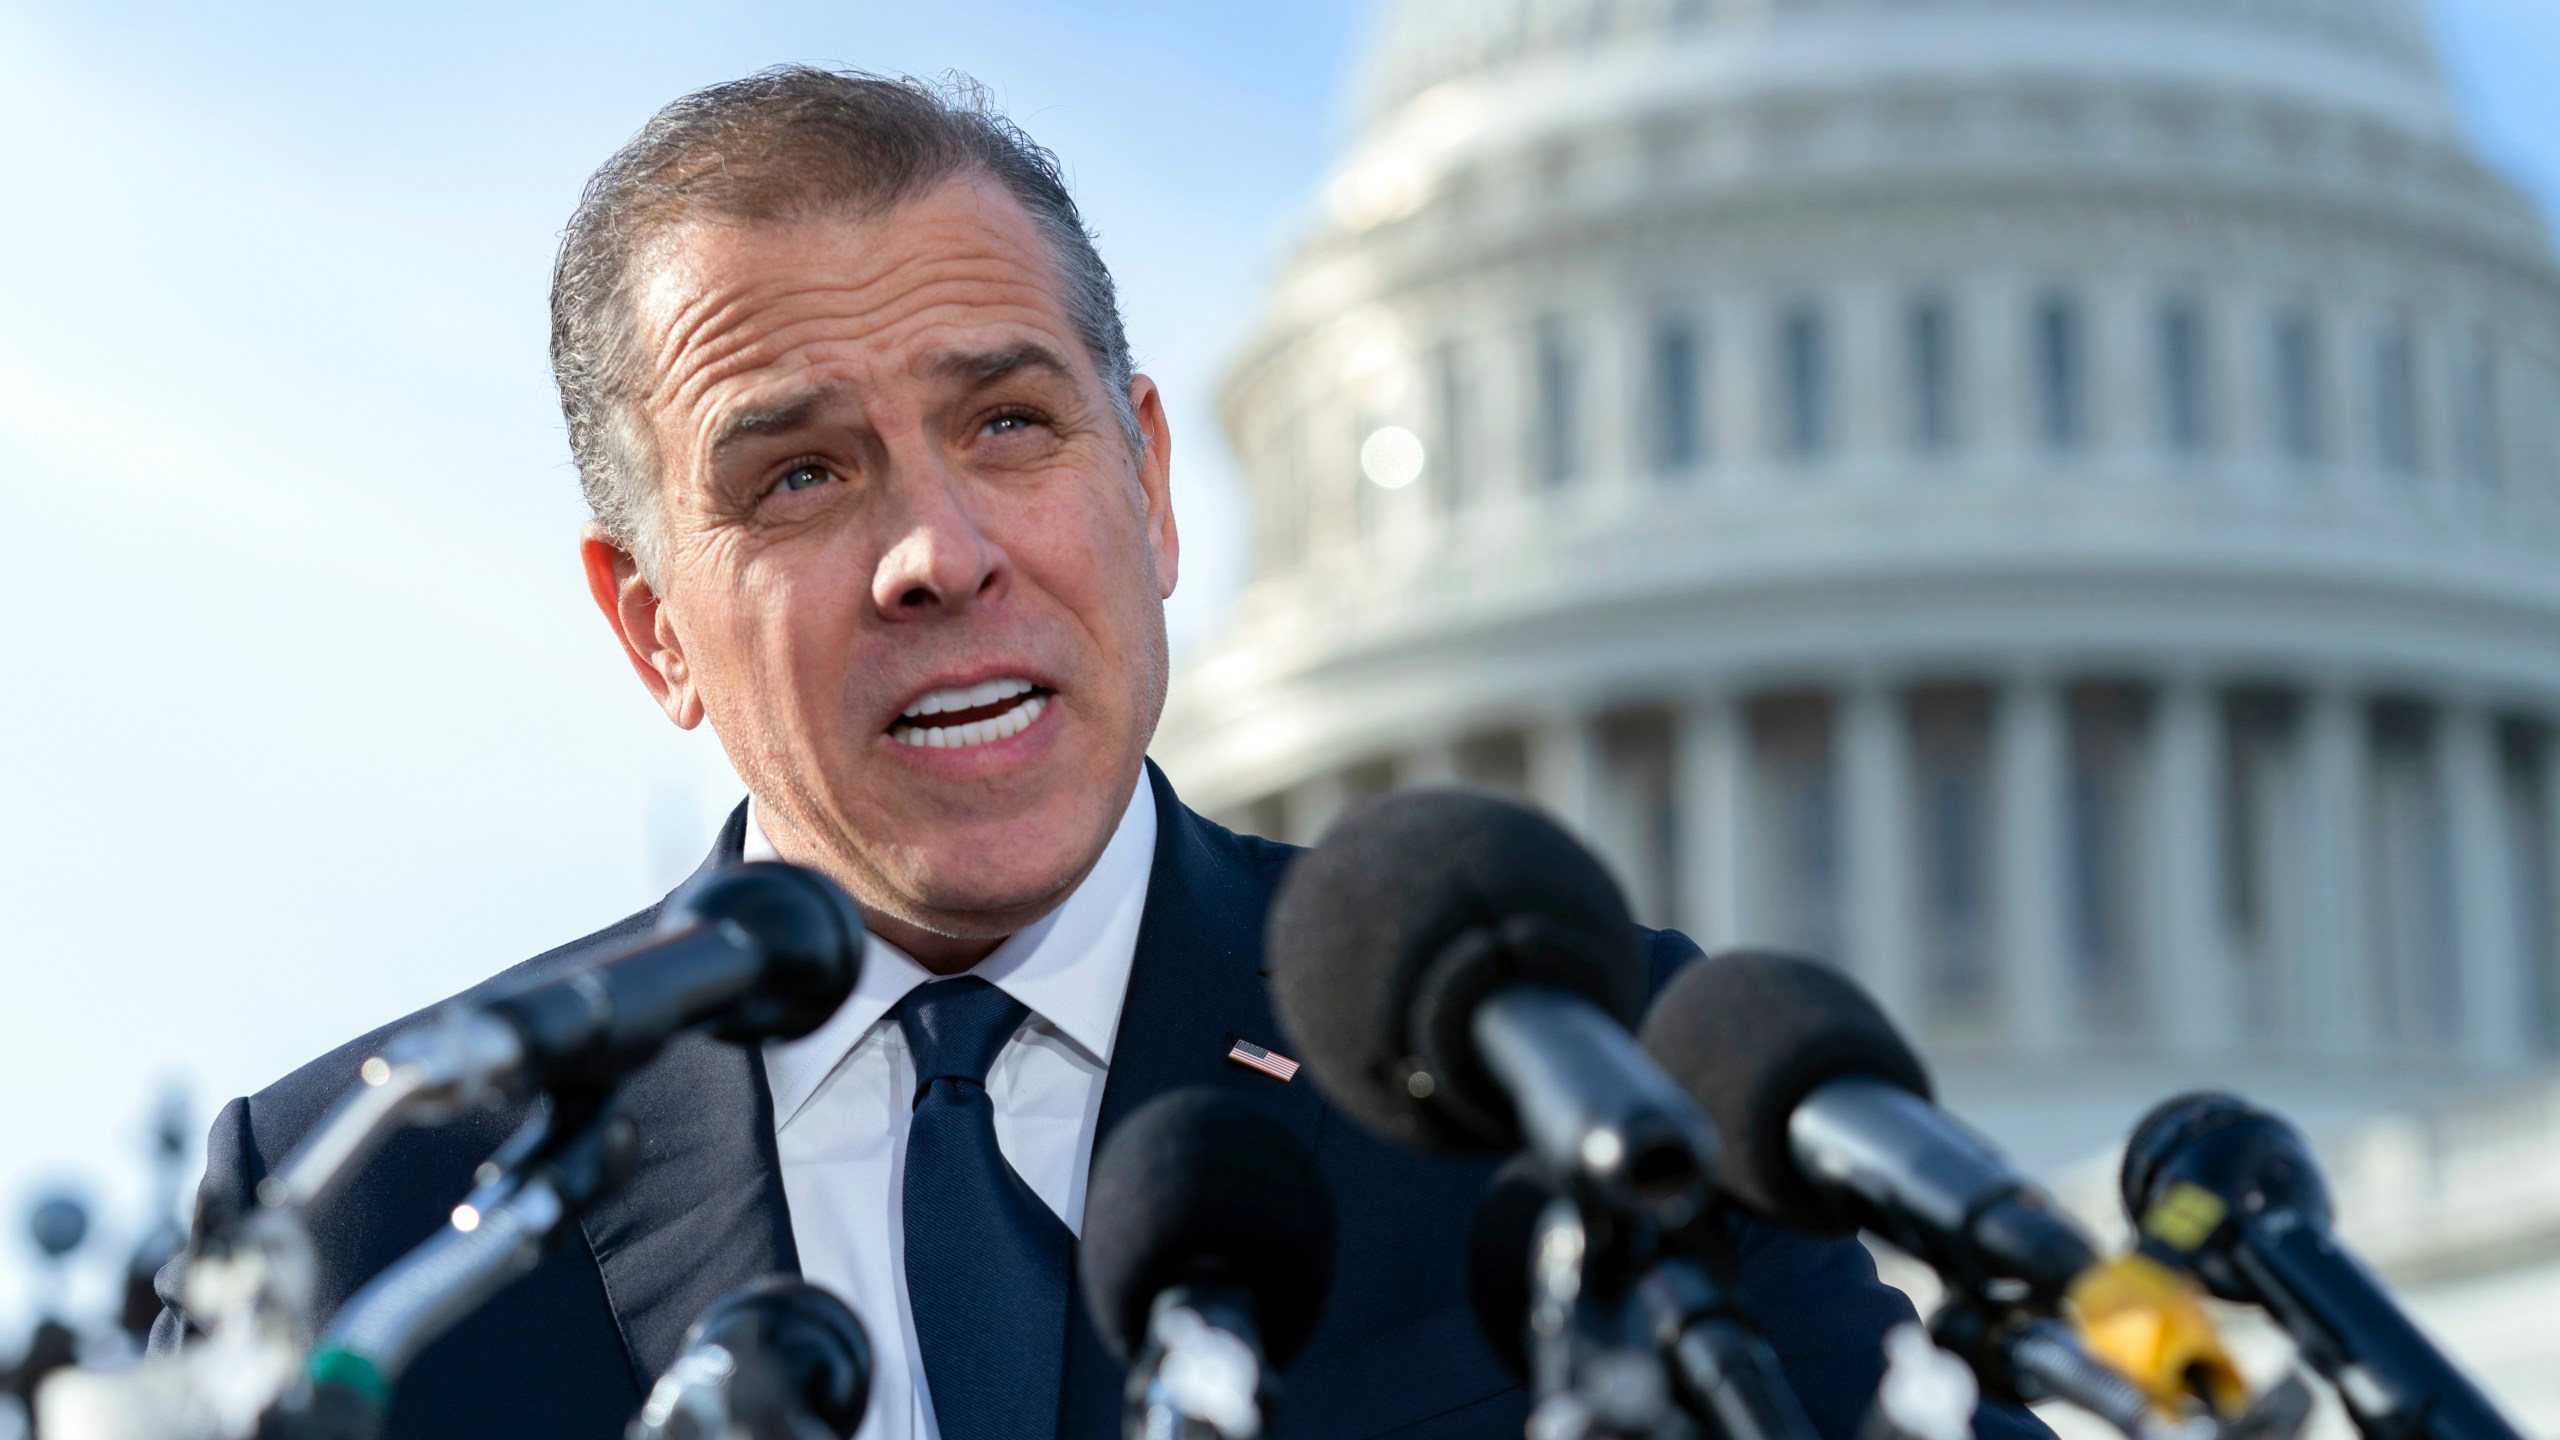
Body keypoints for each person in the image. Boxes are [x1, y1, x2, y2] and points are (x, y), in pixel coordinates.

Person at [155, 67, 2050, 1440]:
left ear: (1148, 486)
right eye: (800, 473)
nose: (939, 554)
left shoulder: (1576, 1087)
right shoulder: (363, 1205)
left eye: (1007, 426)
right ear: (651, 623)